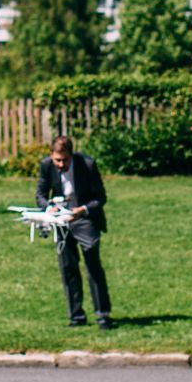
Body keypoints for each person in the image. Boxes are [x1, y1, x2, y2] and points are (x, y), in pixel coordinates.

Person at [35, 135, 112, 330]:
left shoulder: (87, 164)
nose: (60, 164)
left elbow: (100, 198)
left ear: (72, 155)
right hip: (62, 221)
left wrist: (82, 210)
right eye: (57, 160)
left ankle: (103, 315)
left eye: (65, 160)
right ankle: (76, 316)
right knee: (68, 268)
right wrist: (48, 208)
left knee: (92, 265)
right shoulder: (46, 166)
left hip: (85, 217)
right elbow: (40, 195)